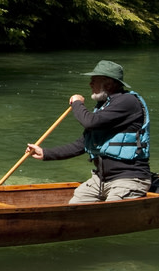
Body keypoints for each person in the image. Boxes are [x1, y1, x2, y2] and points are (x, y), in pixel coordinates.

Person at [25, 60, 151, 203]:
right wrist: (46, 153)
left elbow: (90, 122)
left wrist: (77, 103)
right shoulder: (105, 106)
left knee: (109, 213)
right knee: (74, 207)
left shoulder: (127, 101)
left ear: (108, 84)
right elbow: (83, 144)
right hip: (100, 180)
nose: (90, 84)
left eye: (94, 80)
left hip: (128, 179)